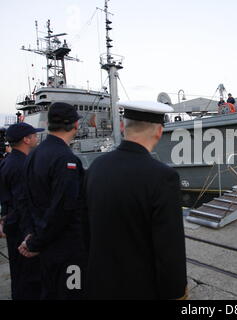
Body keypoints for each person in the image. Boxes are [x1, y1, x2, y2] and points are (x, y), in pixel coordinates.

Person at [84, 101, 187, 300]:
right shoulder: (163, 177)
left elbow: (85, 227)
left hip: (98, 283)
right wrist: (176, 292)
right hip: (141, 288)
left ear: (122, 127)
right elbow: (169, 247)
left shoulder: (96, 167)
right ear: (159, 132)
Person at [19, 102, 87, 300]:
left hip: (43, 245)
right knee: (71, 295)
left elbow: (25, 199)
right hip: (66, 249)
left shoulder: (33, 155)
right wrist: (36, 242)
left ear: (49, 124)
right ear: (75, 124)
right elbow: (63, 209)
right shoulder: (66, 158)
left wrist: (31, 236)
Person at [0, 123, 44, 300]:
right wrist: (30, 235)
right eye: (34, 135)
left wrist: (3, 220)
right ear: (26, 140)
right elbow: (22, 203)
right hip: (22, 229)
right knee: (29, 277)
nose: (36, 138)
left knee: (18, 274)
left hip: (12, 225)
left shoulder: (7, 162)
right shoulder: (22, 165)